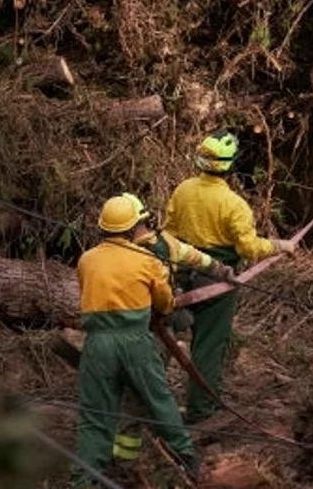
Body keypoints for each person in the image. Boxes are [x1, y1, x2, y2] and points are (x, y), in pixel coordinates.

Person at [162, 132, 293, 423]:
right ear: (231, 165)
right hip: (217, 280)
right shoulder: (233, 204)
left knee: (164, 336)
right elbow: (248, 247)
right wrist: (279, 246)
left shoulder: (183, 190)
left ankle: (155, 398)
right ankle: (201, 409)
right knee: (208, 344)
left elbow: (167, 232)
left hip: (181, 271)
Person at [100, 192, 236, 468]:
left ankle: (129, 459)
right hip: (156, 329)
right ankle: (140, 451)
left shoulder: (117, 255)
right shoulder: (167, 244)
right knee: (140, 391)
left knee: (135, 393)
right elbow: (195, 257)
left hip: (136, 332)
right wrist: (221, 269)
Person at [73, 193, 197, 483]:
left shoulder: (86, 260)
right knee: (158, 400)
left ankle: (84, 478)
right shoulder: (147, 260)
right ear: (133, 228)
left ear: (103, 227)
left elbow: (86, 293)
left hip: (97, 343)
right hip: (135, 341)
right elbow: (165, 304)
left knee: (95, 414)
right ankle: (187, 458)